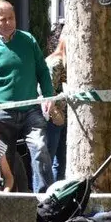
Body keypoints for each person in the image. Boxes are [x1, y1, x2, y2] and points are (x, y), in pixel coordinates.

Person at [0, 0, 54, 193]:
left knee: (40, 148)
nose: (8, 22)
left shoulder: (28, 40)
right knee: (2, 156)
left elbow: (42, 70)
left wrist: (48, 95)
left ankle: (45, 197)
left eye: (11, 18)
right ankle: (5, 197)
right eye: (3, 19)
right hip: (2, 112)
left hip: (31, 109)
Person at [44, 26, 68, 182]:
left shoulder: (65, 61)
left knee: (61, 162)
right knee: (49, 159)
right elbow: (46, 92)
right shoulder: (56, 62)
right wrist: (55, 115)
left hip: (64, 117)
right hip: (53, 119)